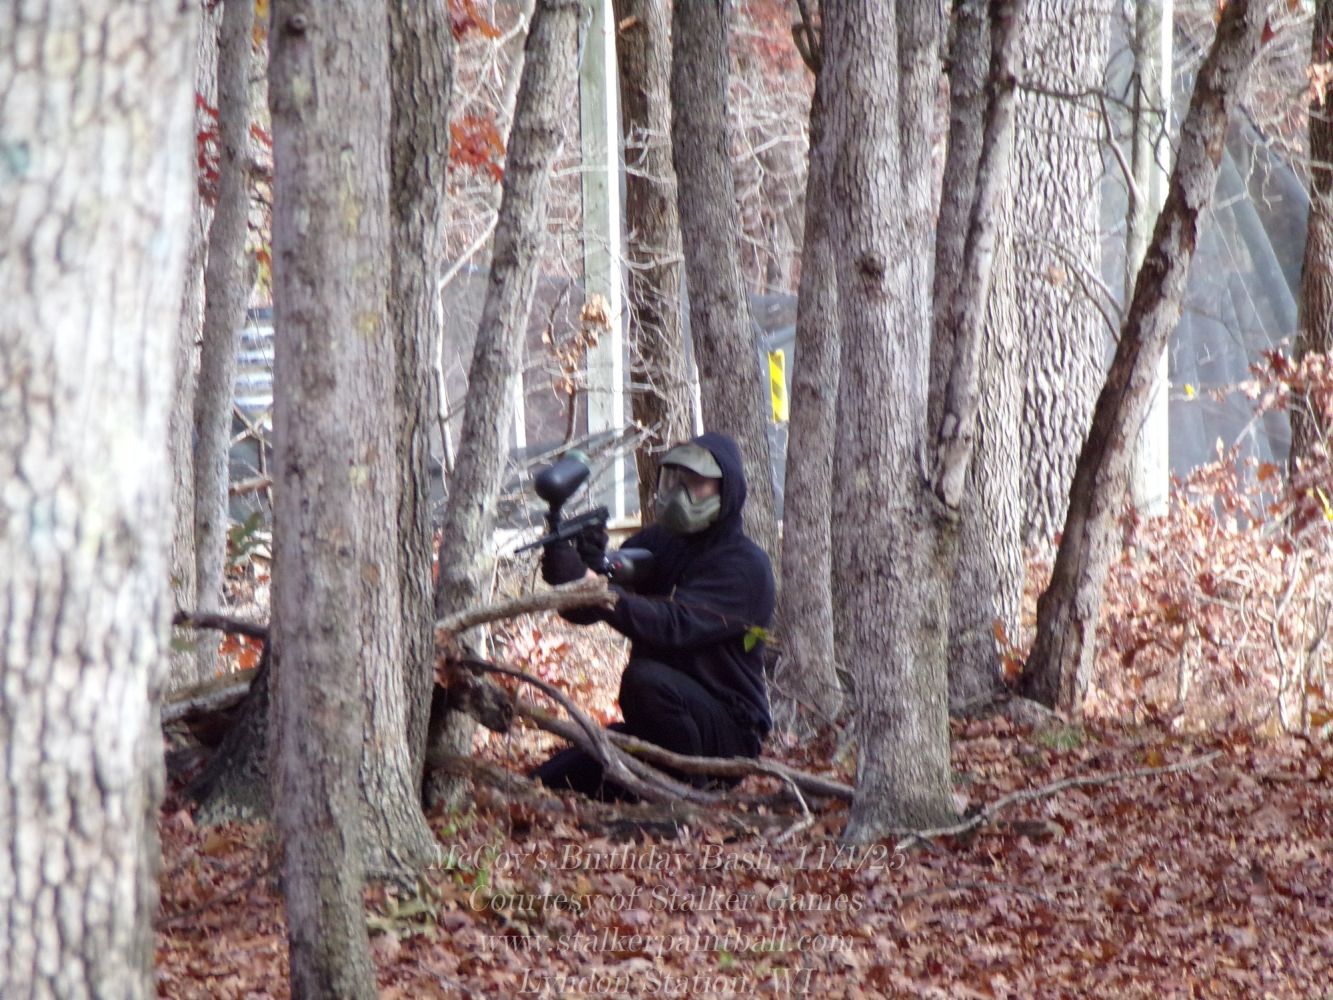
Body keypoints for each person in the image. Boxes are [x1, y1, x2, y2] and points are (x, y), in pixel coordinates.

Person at [531, 432, 775, 799]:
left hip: (726, 734)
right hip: (658, 726)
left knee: (645, 679)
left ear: (726, 491)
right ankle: (650, 790)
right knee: (546, 781)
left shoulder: (745, 566)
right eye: (677, 481)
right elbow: (585, 614)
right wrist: (581, 567)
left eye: (697, 484)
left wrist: (594, 589)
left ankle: (687, 797)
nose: (681, 493)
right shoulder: (659, 542)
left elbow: (672, 625)